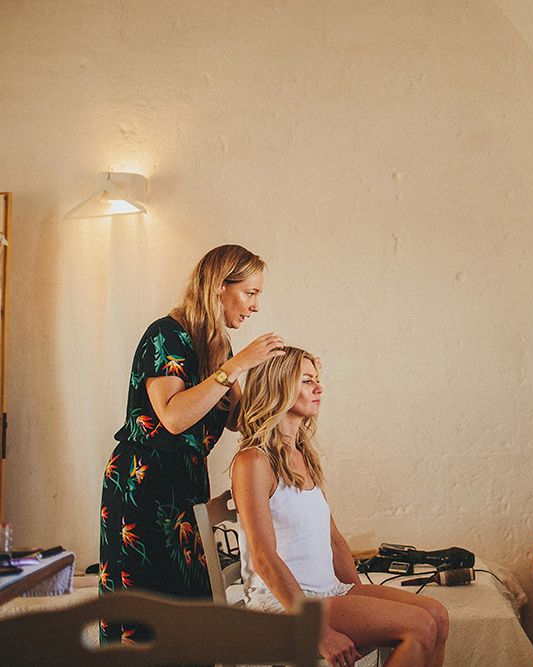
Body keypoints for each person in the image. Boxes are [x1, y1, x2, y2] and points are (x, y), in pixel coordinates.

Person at [99, 244, 286, 644]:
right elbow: (172, 416)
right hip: (143, 488)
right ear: (220, 287)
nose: (255, 306)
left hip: (185, 485)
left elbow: (237, 419)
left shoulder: (217, 343)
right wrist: (234, 367)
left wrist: (284, 391)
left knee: (191, 613)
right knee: (148, 612)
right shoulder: (166, 334)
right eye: (250, 293)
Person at [232, 347, 449, 667]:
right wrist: (320, 633)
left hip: (330, 591)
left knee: (438, 616)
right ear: (278, 388)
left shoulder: (302, 455)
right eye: (307, 381)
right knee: (421, 626)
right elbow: (264, 558)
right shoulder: (253, 461)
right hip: (285, 604)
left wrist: (362, 598)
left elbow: (334, 540)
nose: (319, 388)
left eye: (317, 380)